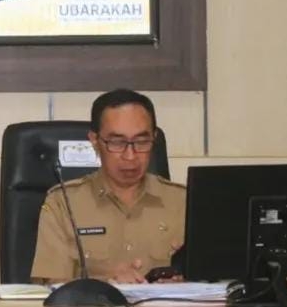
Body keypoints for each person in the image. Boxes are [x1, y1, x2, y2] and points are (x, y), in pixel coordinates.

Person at [30, 89, 186, 284]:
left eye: (141, 141)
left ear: (154, 138)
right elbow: (50, 288)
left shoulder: (184, 202)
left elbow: (213, 281)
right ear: (95, 141)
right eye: (117, 142)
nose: (130, 156)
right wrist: (106, 284)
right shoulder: (63, 203)